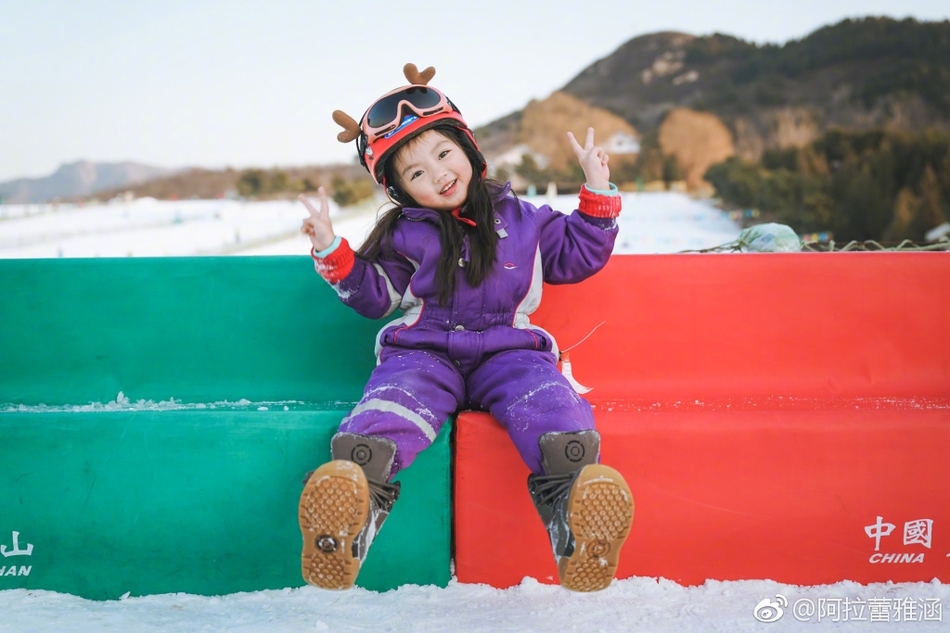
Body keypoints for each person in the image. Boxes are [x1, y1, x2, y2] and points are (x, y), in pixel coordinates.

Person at [297, 63, 634, 593]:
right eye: (415, 174)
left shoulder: (523, 219)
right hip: (425, 353)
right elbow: (374, 295)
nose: (437, 174)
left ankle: (577, 512)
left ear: (469, 150)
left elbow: (579, 253)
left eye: (443, 153)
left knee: (547, 401)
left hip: (509, 350)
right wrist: (331, 251)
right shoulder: (405, 237)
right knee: (395, 401)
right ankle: (351, 503)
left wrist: (596, 189)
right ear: (402, 192)